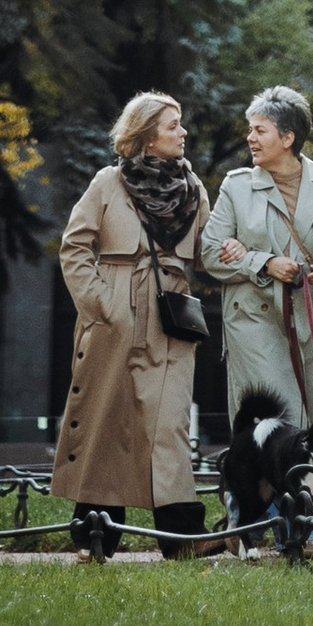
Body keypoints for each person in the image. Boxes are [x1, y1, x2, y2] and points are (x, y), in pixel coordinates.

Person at [50, 89, 212, 553]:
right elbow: (75, 247)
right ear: (145, 135)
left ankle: (183, 538)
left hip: (171, 313)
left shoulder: (193, 188)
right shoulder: (108, 182)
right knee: (106, 422)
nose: (182, 132)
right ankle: (96, 536)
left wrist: (244, 253)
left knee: (170, 423)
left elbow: (207, 252)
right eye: (172, 125)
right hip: (114, 307)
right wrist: (101, 305)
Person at [201, 84, 313, 440]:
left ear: (288, 137)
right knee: (278, 413)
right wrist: (262, 263)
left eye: (259, 130)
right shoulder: (236, 186)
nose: (250, 138)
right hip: (254, 320)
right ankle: (268, 492)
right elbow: (209, 253)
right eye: (250, 130)